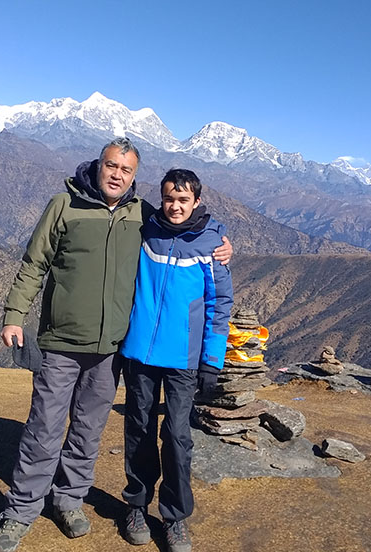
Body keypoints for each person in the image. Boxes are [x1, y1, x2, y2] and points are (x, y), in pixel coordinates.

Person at [0, 139, 231, 552]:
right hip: (61, 341)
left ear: (135, 177)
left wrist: (221, 243)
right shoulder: (64, 206)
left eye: (127, 170)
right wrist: (14, 314)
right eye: (111, 166)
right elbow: (34, 263)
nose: (118, 175)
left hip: (112, 349)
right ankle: (20, 511)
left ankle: (69, 500)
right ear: (98, 166)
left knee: (88, 430)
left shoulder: (143, 217)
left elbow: (188, 227)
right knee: (44, 428)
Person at [117, 169, 233, 552]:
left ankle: (175, 517)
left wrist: (212, 361)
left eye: (183, 200)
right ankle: (136, 504)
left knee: (178, 437)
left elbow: (219, 305)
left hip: (184, 359)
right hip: (140, 353)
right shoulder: (146, 229)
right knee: (138, 430)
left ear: (197, 201)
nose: (175, 206)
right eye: (169, 198)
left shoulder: (212, 245)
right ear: (161, 198)